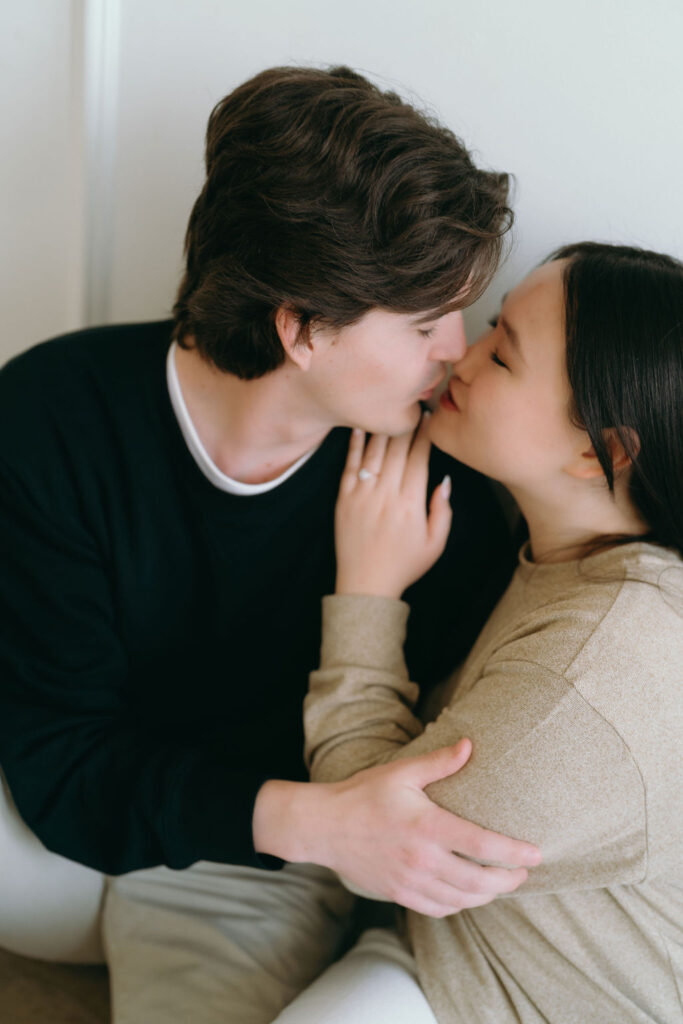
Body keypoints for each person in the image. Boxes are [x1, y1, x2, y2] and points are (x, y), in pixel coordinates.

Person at [0, 66, 541, 1021]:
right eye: (423, 322)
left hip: (262, 866)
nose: (457, 351)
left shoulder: (437, 480)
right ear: (301, 328)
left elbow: (408, 783)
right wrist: (315, 818)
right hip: (66, 841)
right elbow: (60, 762)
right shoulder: (54, 414)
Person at [280, 242, 683, 1023]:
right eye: (493, 326)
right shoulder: (562, 552)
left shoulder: (593, 680)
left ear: (595, 450)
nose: (461, 355)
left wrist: (366, 590)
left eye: (504, 357)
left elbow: (362, 831)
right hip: (443, 949)